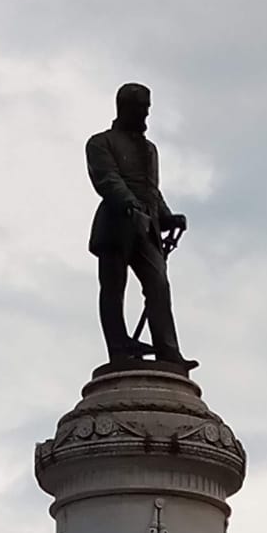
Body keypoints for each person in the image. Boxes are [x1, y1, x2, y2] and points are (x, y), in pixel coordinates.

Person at [86, 82, 195, 371]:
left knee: (158, 285)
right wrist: (130, 205)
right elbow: (107, 179)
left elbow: (151, 190)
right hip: (115, 224)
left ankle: (168, 351)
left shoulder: (149, 149)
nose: (145, 116)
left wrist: (167, 216)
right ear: (125, 108)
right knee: (113, 289)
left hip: (146, 227)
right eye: (140, 110)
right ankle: (119, 348)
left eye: (147, 109)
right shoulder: (100, 142)